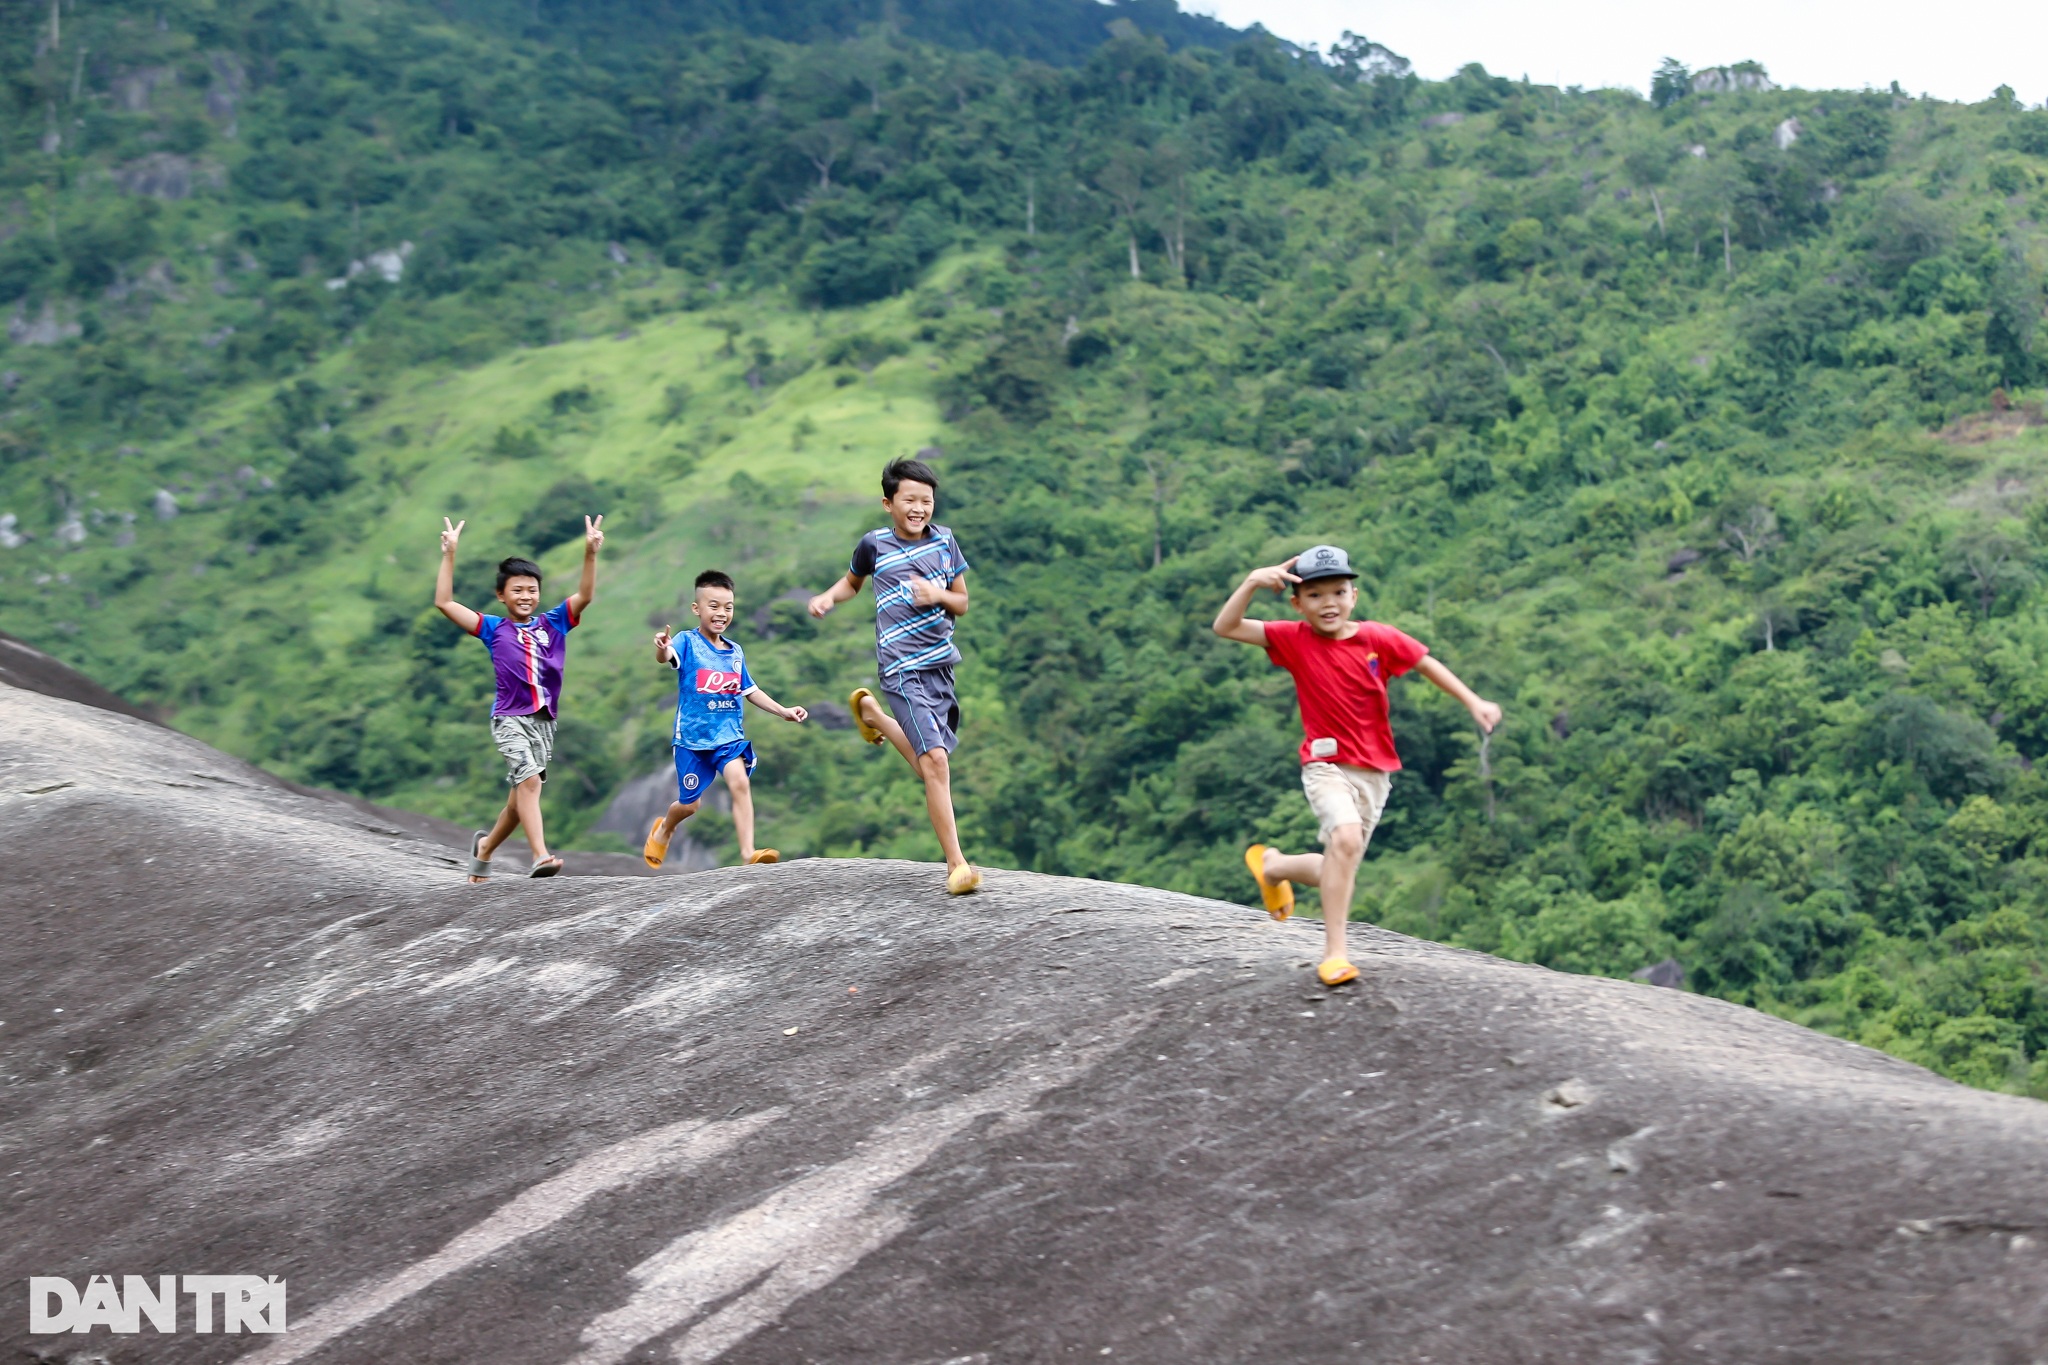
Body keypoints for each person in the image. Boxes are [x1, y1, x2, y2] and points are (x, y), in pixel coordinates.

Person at [1212, 544, 1501, 986]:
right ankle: (1335, 954)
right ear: (1297, 603)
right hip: (1325, 765)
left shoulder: (1378, 639)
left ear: (1354, 596)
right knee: (1345, 840)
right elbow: (1225, 626)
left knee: (1338, 866)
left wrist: (1474, 701)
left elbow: (1426, 663)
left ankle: (1273, 866)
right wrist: (1253, 581)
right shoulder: (1293, 638)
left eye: (1338, 592)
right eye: (1315, 595)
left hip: (1375, 772)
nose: (1328, 603)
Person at [807, 456, 983, 894]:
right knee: (936, 762)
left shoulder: (945, 542)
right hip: (900, 668)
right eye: (910, 500)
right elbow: (852, 582)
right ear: (889, 503)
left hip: (940, 665)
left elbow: (961, 602)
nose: (919, 508)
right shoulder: (874, 545)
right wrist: (829, 598)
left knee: (931, 766)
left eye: (927, 500)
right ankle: (956, 865)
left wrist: (936, 594)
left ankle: (873, 715)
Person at [434, 513, 605, 881]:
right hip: (510, 717)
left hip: (544, 722)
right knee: (529, 784)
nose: (526, 596)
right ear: (501, 595)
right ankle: (541, 855)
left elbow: (586, 595)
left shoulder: (554, 622)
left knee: (517, 802)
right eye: (517, 590)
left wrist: (590, 553)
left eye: (531, 590)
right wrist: (449, 554)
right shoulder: (493, 629)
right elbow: (445, 603)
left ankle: (484, 851)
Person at [643, 569, 808, 869]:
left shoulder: (735, 652)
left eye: (728, 607)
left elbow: (751, 690)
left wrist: (783, 710)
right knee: (690, 805)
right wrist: (662, 648)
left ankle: (749, 854)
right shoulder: (686, 642)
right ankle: (665, 827)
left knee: (739, 782)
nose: (721, 613)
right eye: (714, 606)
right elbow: (666, 657)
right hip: (692, 740)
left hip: (728, 737)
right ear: (697, 609)